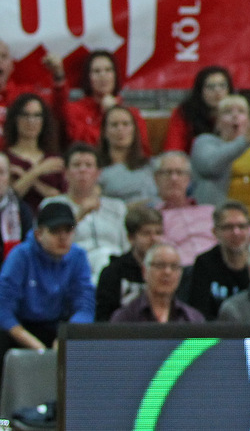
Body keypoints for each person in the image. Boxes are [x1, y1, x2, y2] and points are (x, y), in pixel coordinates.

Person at [0, 201, 92, 350]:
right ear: (39, 234)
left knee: (88, 336)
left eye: (68, 230)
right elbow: (3, 307)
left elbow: (85, 306)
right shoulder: (20, 255)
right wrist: (33, 344)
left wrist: (66, 336)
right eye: (55, 230)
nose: (63, 238)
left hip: (61, 327)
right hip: (22, 326)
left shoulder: (78, 256)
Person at [41, 142, 127, 279]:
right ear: (66, 173)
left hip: (114, 266)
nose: (82, 170)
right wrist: (79, 215)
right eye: (76, 165)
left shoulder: (117, 207)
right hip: (71, 267)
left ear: (98, 173)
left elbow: (126, 246)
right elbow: (49, 243)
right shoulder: (52, 205)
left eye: (88, 165)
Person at [60, 49, 148, 150]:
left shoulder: (132, 113)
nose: (103, 75)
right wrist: (108, 114)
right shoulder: (74, 110)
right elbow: (82, 144)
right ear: (88, 77)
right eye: (96, 71)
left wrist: (114, 111)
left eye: (108, 70)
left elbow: (142, 150)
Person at [183, 201, 250, 319]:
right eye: (228, 227)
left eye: (241, 226)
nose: (236, 232)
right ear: (215, 232)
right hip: (213, 334)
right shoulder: (204, 263)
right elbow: (198, 313)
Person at [93, 203, 163, 320]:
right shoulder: (113, 272)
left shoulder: (169, 270)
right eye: (146, 233)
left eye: (158, 233)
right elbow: (103, 320)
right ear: (131, 238)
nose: (154, 239)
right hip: (122, 334)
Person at [109, 240, 203, 323]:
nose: (167, 272)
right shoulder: (125, 318)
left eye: (174, 266)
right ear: (144, 271)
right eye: (160, 265)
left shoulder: (192, 319)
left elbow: (201, 343)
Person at [6, 93, 64, 211]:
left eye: (37, 115)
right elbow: (9, 198)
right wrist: (39, 170)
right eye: (25, 115)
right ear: (15, 119)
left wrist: (26, 176)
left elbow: (61, 199)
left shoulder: (54, 158)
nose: (31, 121)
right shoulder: (5, 158)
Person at [162, 65, 232, 153]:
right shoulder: (186, 112)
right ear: (200, 91)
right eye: (210, 87)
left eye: (222, 86)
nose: (217, 91)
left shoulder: (238, 112)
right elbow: (173, 149)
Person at [97, 105, 156, 204]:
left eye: (125, 124)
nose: (120, 129)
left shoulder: (150, 165)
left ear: (134, 129)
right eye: (114, 125)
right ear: (105, 132)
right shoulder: (97, 170)